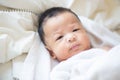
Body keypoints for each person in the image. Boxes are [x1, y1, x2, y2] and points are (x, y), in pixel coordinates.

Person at [38, 7, 114, 80]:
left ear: (86, 32)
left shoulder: (102, 50)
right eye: (60, 37)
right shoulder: (61, 69)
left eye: (75, 30)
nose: (71, 37)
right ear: (51, 53)